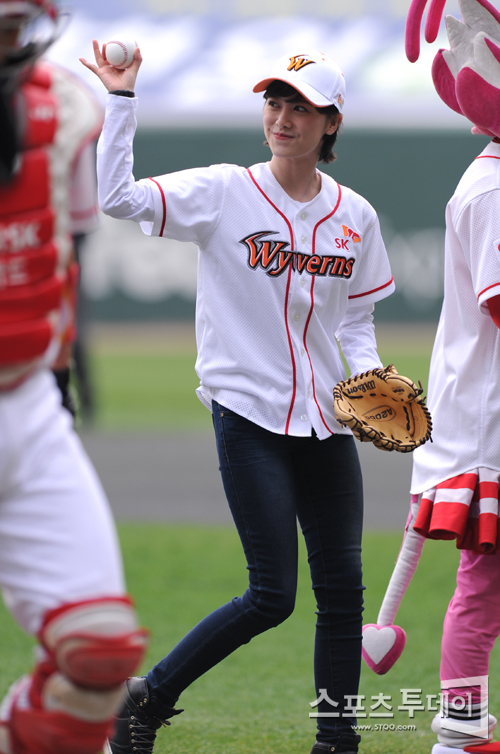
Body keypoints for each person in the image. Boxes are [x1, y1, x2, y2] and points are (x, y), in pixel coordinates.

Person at [81, 41, 395, 754]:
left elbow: (356, 320)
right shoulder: (225, 190)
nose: (283, 116)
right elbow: (117, 198)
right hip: (247, 416)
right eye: (275, 102)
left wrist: (370, 385)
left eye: (302, 107)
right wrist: (121, 100)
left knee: (343, 593)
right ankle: (144, 702)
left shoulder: (358, 217)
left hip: (324, 421)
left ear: (332, 122)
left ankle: (337, 743)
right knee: (272, 596)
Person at [0, 3, 148, 753]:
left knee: (100, 655)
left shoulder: (63, 111)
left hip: (24, 405)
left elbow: (60, 256)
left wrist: (59, 376)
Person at [361, 1, 500, 753]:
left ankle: (463, 726)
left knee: (486, 587)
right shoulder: (493, 189)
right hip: (491, 425)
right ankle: (459, 731)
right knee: (483, 586)